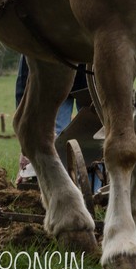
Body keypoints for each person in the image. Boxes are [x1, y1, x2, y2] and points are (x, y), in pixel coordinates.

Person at [15, 56, 85, 186]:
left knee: (59, 139)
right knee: (57, 140)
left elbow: (25, 75)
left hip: (61, 80)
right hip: (67, 83)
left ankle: (63, 187)